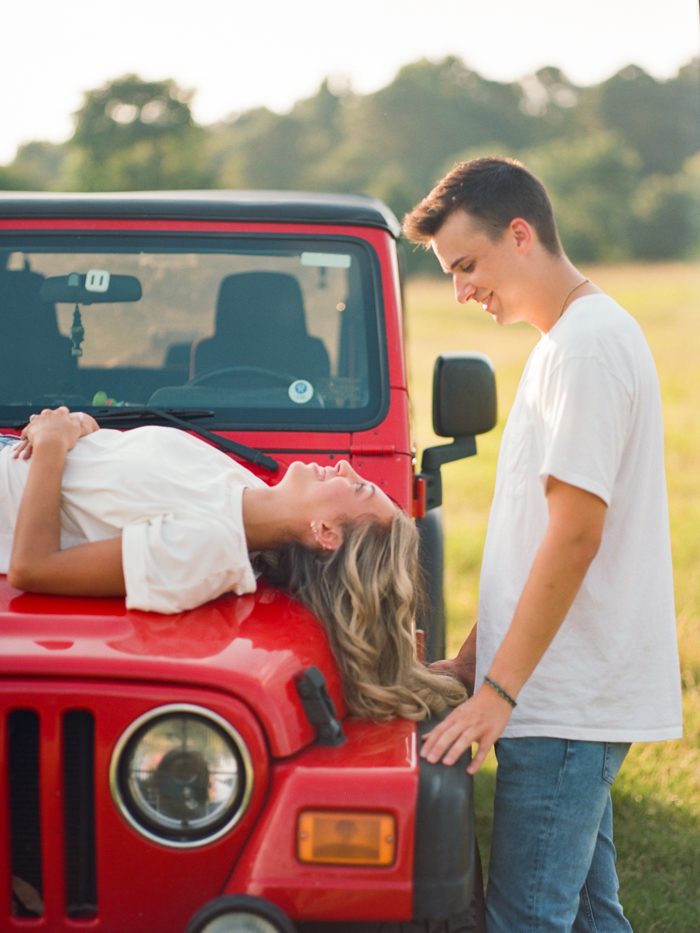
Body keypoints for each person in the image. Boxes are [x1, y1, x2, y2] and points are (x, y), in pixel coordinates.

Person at [403, 157, 682, 933]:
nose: (460, 290)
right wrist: (472, 658)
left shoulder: (587, 348)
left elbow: (575, 536)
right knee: (592, 916)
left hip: (563, 702)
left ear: (519, 234)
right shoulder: (568, 340)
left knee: (526, 918)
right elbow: (533, 538)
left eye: (466, 265)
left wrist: (499, 691)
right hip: (557, 692)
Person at [0, 406, 466, 722]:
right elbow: (114, 489)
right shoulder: (243, 488)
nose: (347, 468)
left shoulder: (207, 548)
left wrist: (53, 447)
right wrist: (83, 427)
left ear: (325, 533)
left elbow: (34, 567)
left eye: (359, 489)